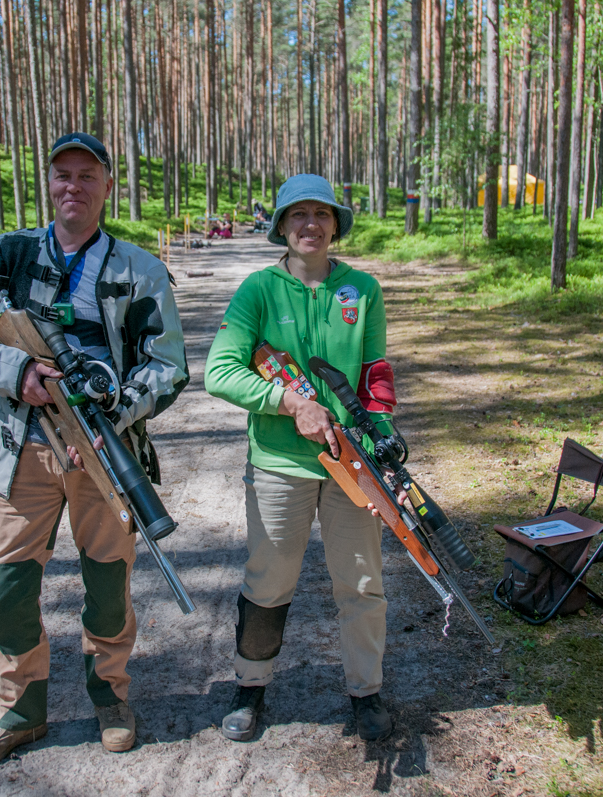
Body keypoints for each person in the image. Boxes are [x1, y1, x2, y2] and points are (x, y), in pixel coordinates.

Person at [0, 132, 189, 770]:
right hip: (22, 446)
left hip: (104, 452)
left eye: (87, 175)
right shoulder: (7, 255)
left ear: (107, 186)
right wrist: (14, 370)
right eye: (62, 174)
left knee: (108, 583)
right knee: (6, 587)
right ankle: (20, 710)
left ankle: (110, 696)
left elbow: (169, 366)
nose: (73, 185)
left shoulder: (140, 269)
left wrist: (109, 407)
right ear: (49, 182)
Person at [205, 174, 398, 743]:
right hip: (279, 465)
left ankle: (366, 692)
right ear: (282, 227)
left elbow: (376, 379)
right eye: (297, 215)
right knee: (269, 580)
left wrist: (381, 446)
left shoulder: (362, 290)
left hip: (352, 462)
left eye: (321, 213)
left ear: (336, 223)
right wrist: (288, 402)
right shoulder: (258, 290)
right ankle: (250, 686)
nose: (310, 224)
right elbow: (221, 371)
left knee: (362, 581)